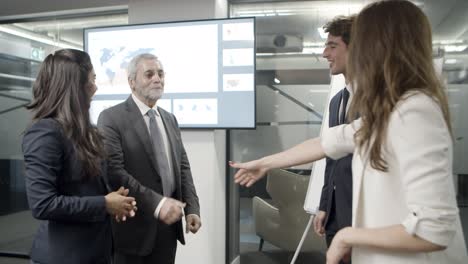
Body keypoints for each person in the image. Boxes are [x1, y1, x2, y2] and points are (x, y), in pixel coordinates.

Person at [230, 0, 467, 263]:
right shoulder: (387, 112)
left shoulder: (415, 111)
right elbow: (326, 143)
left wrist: (348, 236)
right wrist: (264, 163)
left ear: (379, 47)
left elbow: (434, 229)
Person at [23, 49, 137, 264]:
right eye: (92, 79)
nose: (95, 87)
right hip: (63, 257)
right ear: (76, 87)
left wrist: (114, 201)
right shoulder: (45, 132)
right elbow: (43, 204)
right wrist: (103, 204)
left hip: (95, 253)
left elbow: (84, 188)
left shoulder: (85, 132)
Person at [97, 53, 201, 264]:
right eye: (149, 74)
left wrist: (192, 208)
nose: (157, 79)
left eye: (161, 74)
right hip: (133, 231)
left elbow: (182, 167)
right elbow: (114, 172)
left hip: (169, 228)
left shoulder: (169, 119)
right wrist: (158, 203)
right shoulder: (111, 118)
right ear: (132, 82)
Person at [314, 15, 355, 250]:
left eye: (332, 46)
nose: (325, 54)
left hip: (359, 218)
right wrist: (324, 206)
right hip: (335, 216)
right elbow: (332, 158)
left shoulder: (377, 101)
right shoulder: (337, 100)